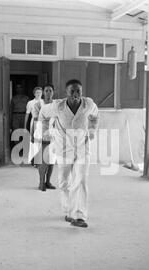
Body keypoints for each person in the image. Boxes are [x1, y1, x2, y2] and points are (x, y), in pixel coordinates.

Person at [37, 79, 99, 228]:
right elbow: (43, 114)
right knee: (64, 182)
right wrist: (45, 131)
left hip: (82, 147)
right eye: (72, 91)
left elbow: (95, 116)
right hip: (64, 148)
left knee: (81, 180)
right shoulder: (58, 106)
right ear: (66, 92)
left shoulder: (88, 104)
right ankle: (68, 210)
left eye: (78, 91)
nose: (76, 94)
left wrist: (92, 130)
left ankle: (79, 216)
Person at [33, 84, 57, 192]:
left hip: (54, 134)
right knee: (43, 160)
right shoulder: (38, 104)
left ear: (53, 92)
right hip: (42, 133)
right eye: (46, 90)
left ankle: (48, 182)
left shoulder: (56, 104)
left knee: (51, 160)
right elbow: (35, 120)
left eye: (50, 90)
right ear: (43, 92)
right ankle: (41, 182)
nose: (48, 93)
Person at [25, 87, 43, 166]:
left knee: (42, 141)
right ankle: (34, 160)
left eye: (40, 92)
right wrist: (24, 126)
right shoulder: (30, 103)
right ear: (34, 93)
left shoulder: (44, 102)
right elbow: (27, 114)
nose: (38, 94)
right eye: (37, 92)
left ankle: (41, 160)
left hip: (43, 123)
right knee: (34, 141)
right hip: (34, 122)